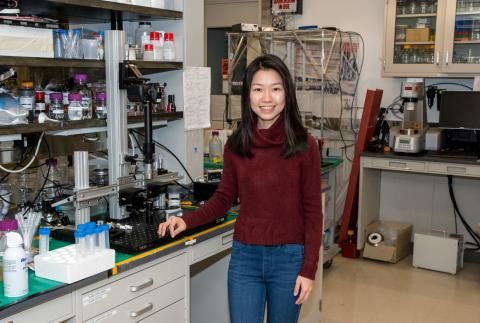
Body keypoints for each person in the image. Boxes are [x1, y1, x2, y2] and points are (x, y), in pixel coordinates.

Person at [158, 54, 323, 323]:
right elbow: (223, 198)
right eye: (258, 89)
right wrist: (186, 221)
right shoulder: (236, 145)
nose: (267, 98)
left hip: (289, 260)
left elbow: (313, 213)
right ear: (248, 95)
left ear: (287, 93)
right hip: (245, 257)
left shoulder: (305, 146)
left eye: (276, 89)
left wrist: (308, 269)